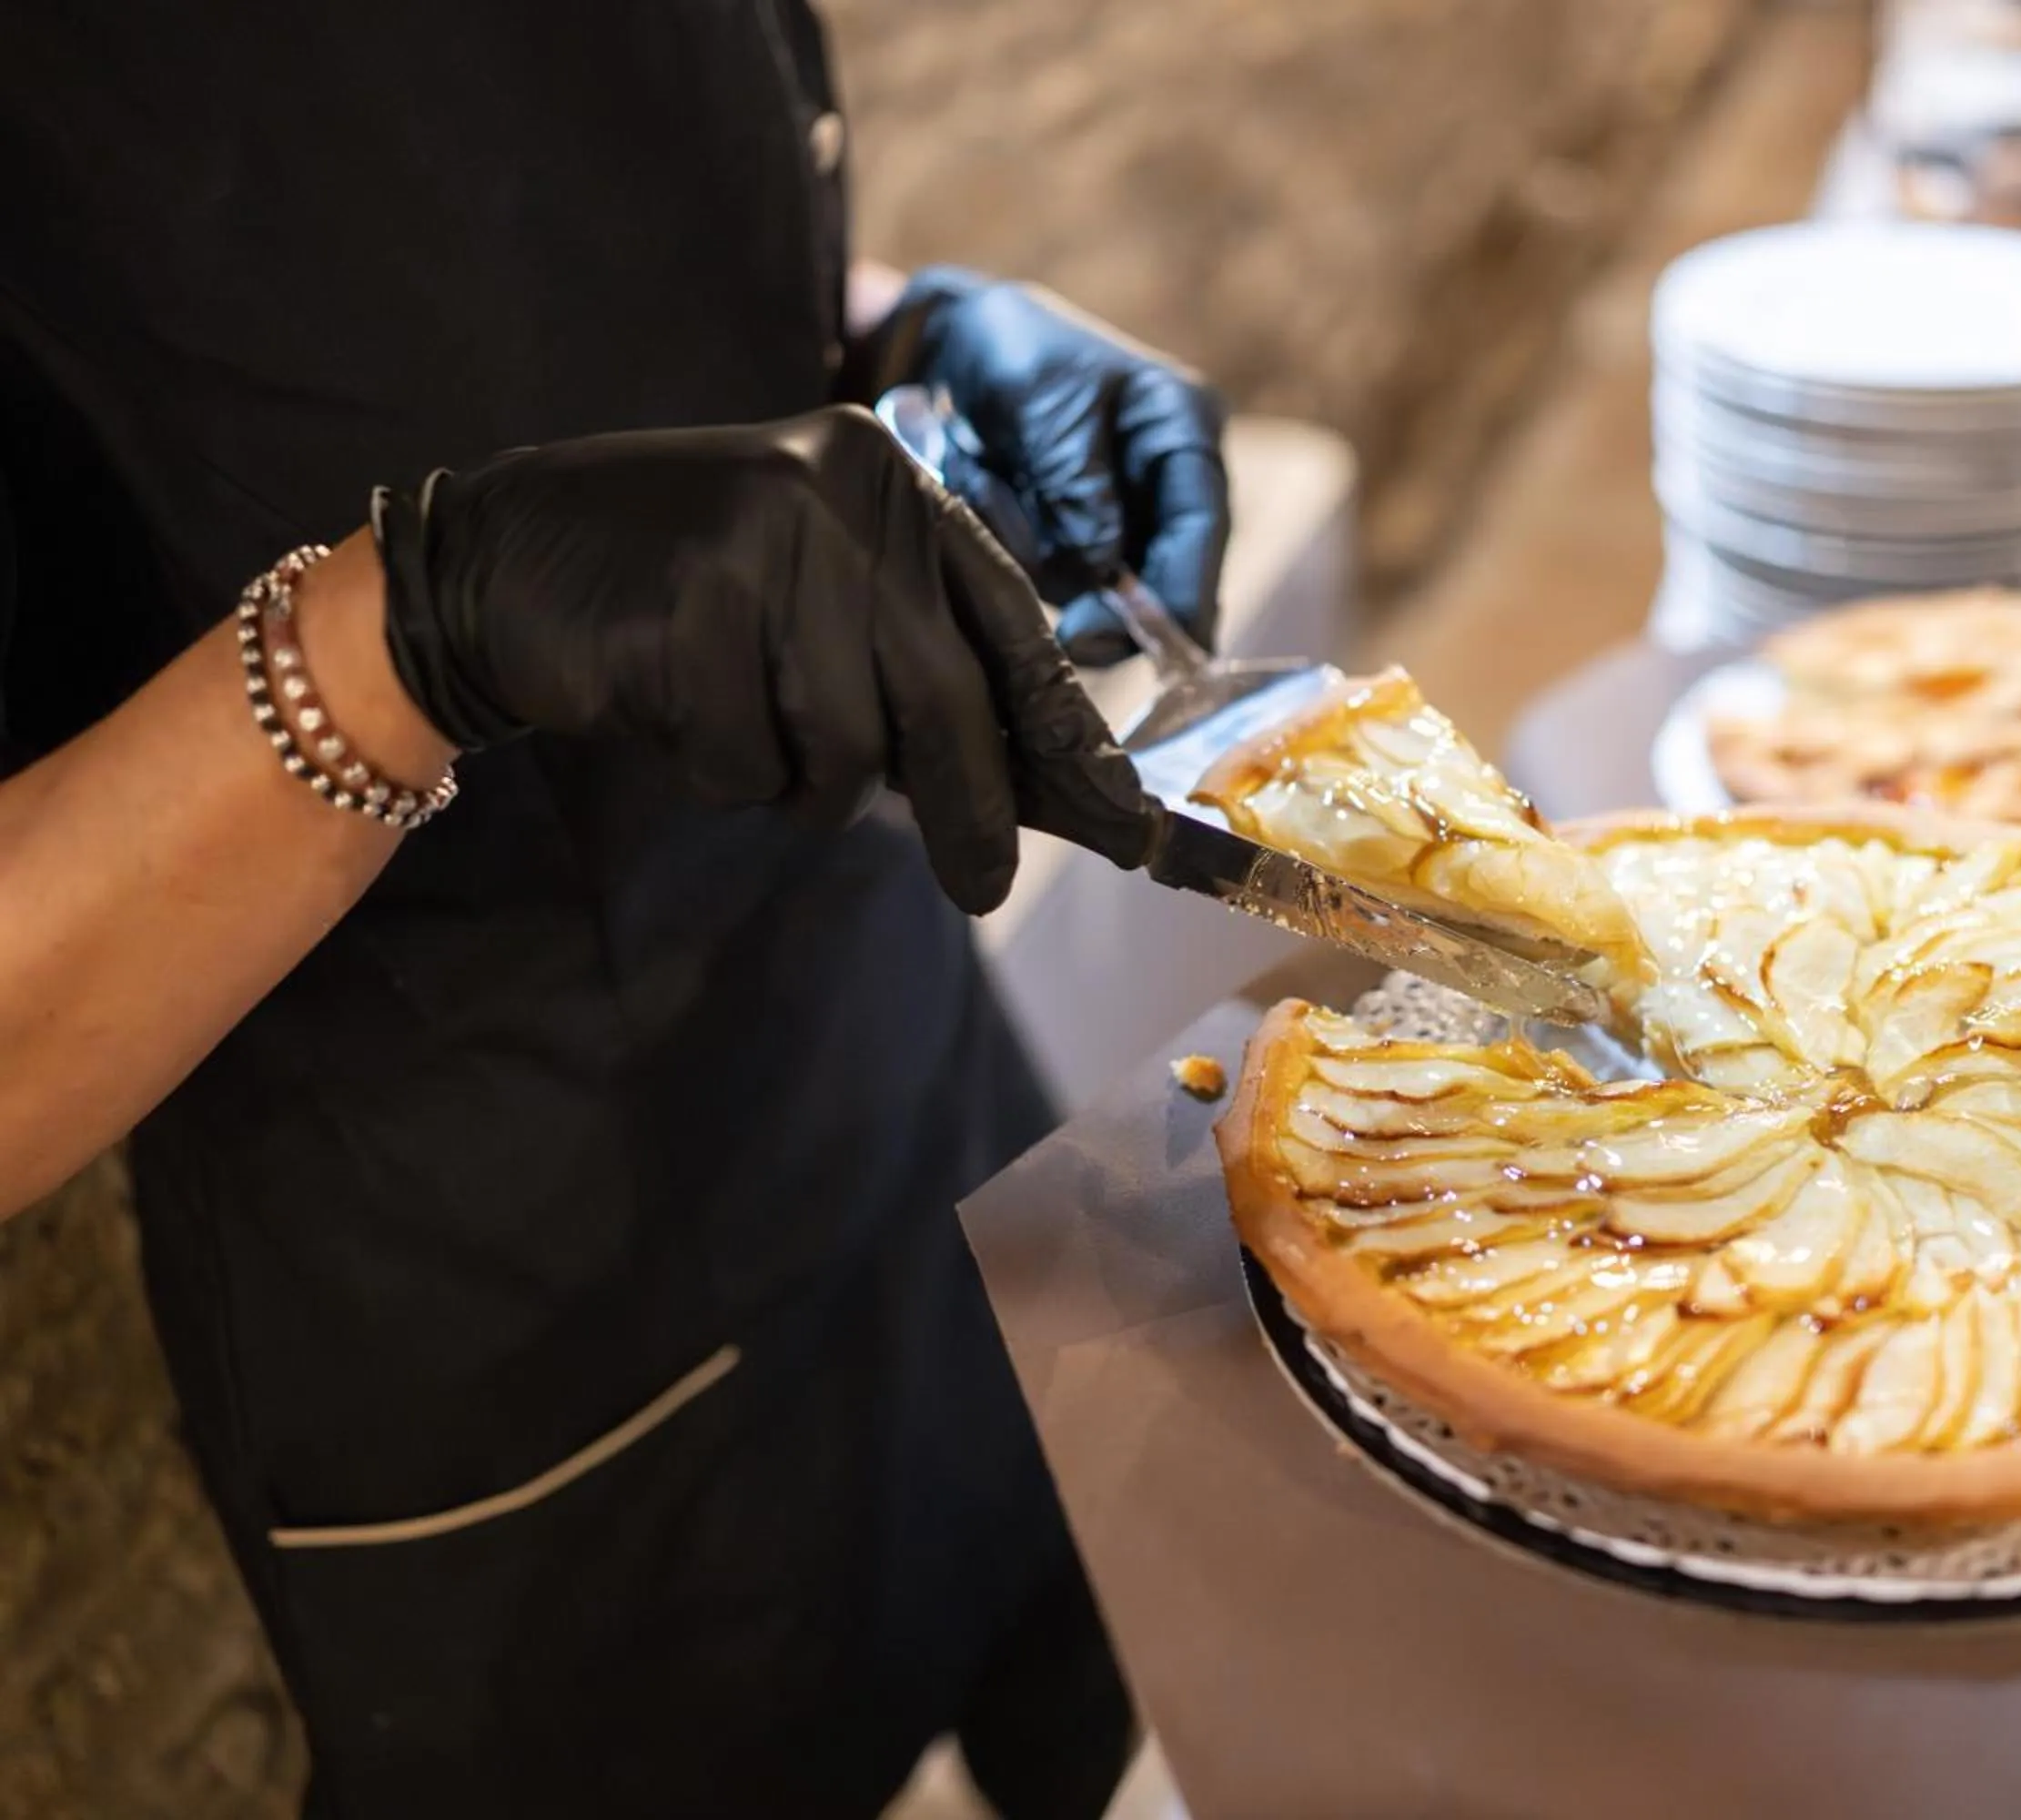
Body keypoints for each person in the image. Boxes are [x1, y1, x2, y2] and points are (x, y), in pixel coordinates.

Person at [0, 6, 1229, 1817]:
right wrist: (413, 628)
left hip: (892, 1047)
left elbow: (504, 261)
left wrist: (897, 349)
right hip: (511, 1308)